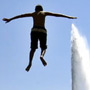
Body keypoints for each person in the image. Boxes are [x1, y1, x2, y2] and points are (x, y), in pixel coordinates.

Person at [3, 5, 77, 72]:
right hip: (42, 30)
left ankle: (30, 63)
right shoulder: (44, 13)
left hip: (34, 30)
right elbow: (56, 15)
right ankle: (41, 56)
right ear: (42, 9)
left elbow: (21, 16)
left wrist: (10, 19)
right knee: (44, 48)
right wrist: (69, 17)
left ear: (35, 10)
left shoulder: (33, 14)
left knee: (33, 48)